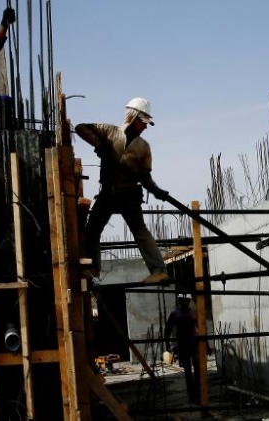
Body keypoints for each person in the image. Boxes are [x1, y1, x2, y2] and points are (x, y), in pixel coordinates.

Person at [74, 97, 170, 284]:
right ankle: (93, 269)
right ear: (133, 118)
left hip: (129, 195)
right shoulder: (109, 132)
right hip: (108, 193)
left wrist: (157, 190)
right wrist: (100, 144)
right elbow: (80, 128)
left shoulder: (143, 147)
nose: (145, 127)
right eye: (143, 123)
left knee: (140, 231)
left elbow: (145, 177)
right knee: (92, 229)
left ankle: (159, 271)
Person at [164, 293, 199, 403]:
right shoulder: (175, 314)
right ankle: (192, 396)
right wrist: (167, 345)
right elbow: (167, 330)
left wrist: (205, 345)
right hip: (183, 346)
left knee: (198, 371)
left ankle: (198, 395)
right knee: (188, 373)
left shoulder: (193, 313)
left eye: (186, 300)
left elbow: (200, 328)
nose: (185, 302)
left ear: (189, 301)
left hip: (194, 345)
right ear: (180, 301)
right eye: (183, 300)